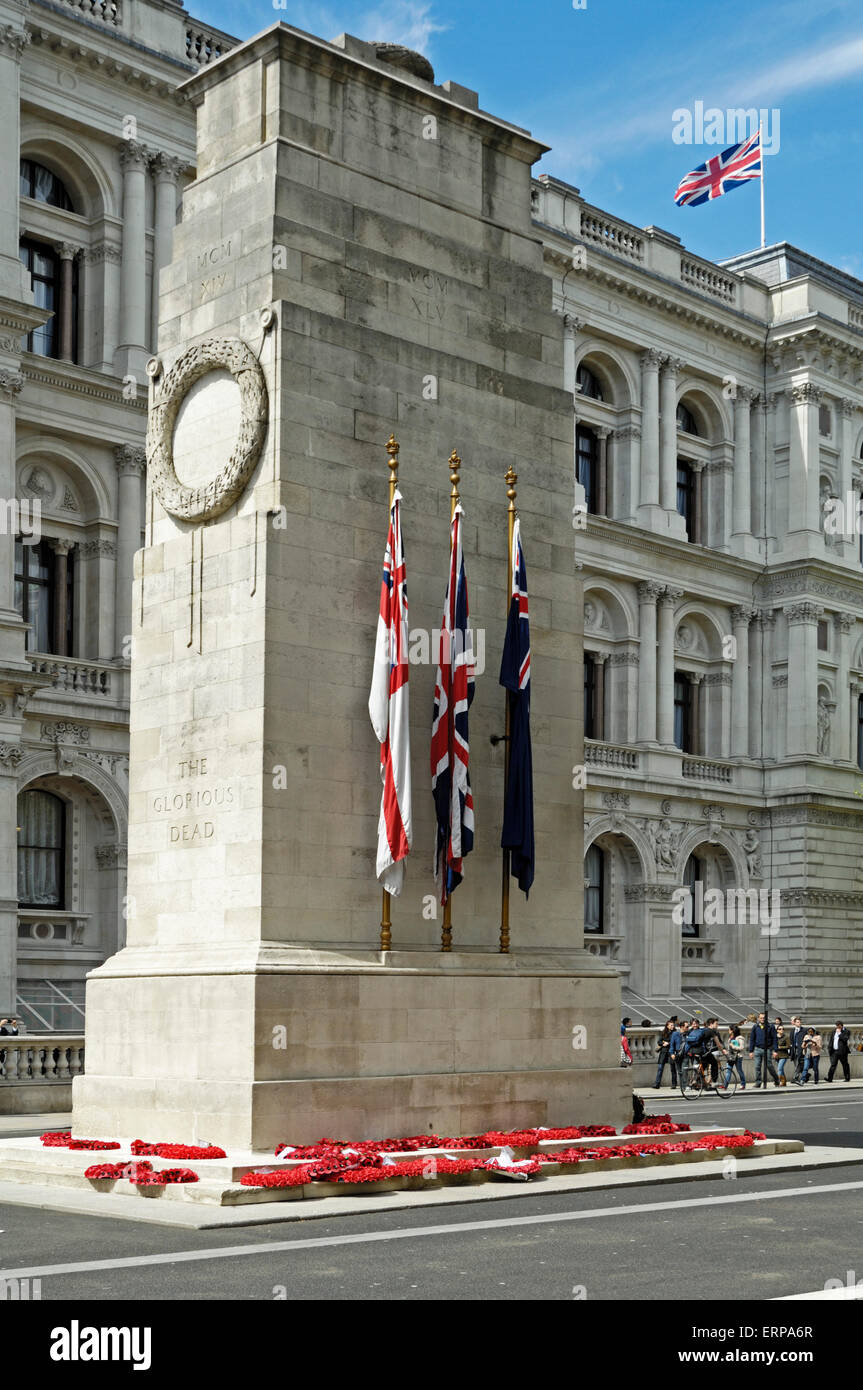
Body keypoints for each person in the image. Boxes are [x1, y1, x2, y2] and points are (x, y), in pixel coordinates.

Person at [748, 1012, 779, 1086]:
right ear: (758, 1018)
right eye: (761, 1018)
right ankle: (758, 1082)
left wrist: (775, 1050)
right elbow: (752, 1039)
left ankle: (776, 1078)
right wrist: (751, 1051)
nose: (762, 1019)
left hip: (767, 1049)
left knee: (769, 1065)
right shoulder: (755, 1027)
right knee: (757, 1066)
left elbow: (775, 1039)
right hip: (757, 1049)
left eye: (764, 1018)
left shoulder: (770, 1026)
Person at [697, 1016, 728, 1088]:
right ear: (711, 1024)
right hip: (702, 1051)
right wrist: (723, 1051)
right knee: (714, 1063)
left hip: (695, 1051)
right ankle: (714, 1081)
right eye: (716, 1024)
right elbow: (718, 1044)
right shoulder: (712, 1031)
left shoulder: (703, 1030)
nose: (717, 1025)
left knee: (703, 1066)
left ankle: (696, 1081)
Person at [653, 1019, 677, 1089]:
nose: (672, 1026)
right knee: (660, 1068)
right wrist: (664, 1043)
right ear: (667, 1026)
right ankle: (657, 1084)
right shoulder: (664, 1033)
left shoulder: (675, 1033)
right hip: (663, 1052)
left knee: (672, 1068)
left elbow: (675, 1042)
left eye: (673, 1025)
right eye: (671, 1025)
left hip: (671, 1051)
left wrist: (668, 1043)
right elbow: (659, 1041)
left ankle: (674, 1084)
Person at [723, 1024, 747, 1090]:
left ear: (732, 1030)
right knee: (728, 1070)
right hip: (730, 1056)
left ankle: (743, 1084)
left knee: (739, 1070)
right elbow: (729, 1047)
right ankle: (725, 1085)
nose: (728, 1031)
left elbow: (742, 1047)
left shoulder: (740, 1038)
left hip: (738, 1056)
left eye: (729, 1029)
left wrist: (733, 1046)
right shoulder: (730, 1037)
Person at [789, 1016, 806, 1082]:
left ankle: (795, 1077)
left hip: (801, 1049)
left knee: (799, 1063)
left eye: (800, 1022)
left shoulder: (804, 1030)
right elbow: (791, 1041)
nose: (799, 1023)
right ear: (795, 1023)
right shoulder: (792, 1031)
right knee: (796, 1064)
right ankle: (804, 1076)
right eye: (797, 1022)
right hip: (794, 1049)